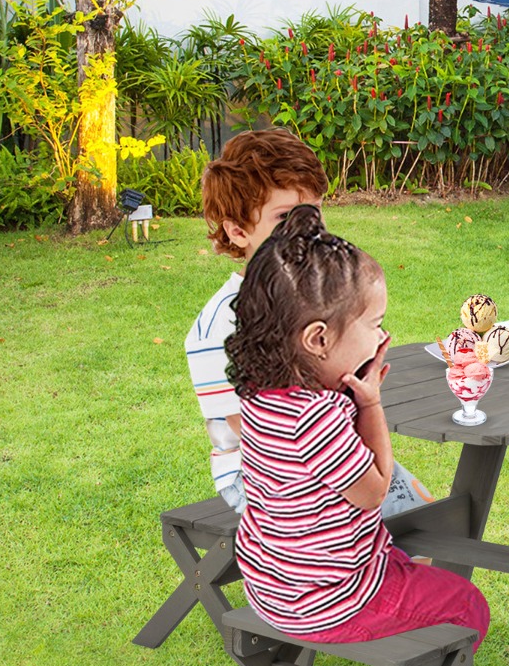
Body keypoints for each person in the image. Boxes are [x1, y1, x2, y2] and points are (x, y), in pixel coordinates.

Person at [224, 204, 490, 666]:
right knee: (468, 605)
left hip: (273, 586)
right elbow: (373, 491)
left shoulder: (258, 396)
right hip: (329, 601)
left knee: (405, 558)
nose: (383, 334)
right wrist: (370, 404)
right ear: (318, 339)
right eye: (373, 324)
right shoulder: (318, 417)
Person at [184, 129, 431, 517]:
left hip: (337, 452)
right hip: (267, 475)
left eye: (314, 212)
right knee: (391, 530)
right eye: (285, 217)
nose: (308, 227)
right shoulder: (219, 324)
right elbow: (247, 425)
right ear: (237, 230)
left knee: (428, 518)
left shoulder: (325, 291)